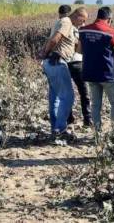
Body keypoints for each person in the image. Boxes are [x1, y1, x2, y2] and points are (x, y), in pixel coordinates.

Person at [39, 7, 88, 138]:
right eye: (82, 20)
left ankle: (55, 128)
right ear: (77, 15)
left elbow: (78, 50)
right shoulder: (67, 22)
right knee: (68, 96)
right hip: (57, 61)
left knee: (55, 97)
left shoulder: (70, 27)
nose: (82, 24)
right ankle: (60, 128)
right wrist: (45, 53)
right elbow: (55, 38)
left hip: (52, 62)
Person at [79, 7, 114, 134]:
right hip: (108, 73)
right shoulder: (111, 32)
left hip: (90, 72)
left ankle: (97, 134)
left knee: (95, 105)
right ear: (109, 19)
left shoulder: (83, 30)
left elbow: (79, 50)